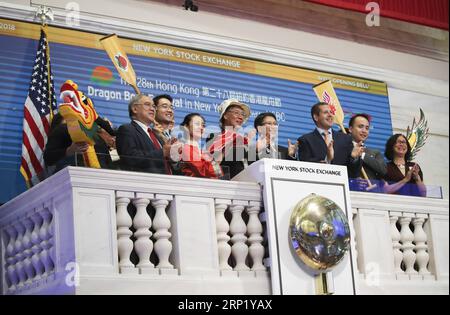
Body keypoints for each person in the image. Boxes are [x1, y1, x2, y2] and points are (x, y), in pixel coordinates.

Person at [297, 102, 363, 178]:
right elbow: (305, 169)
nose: (330, 115)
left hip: (341, 186)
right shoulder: (305, 140)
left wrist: (354, 157)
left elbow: (354, 173)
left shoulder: (346, 139)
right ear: (316, 117)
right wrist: (327, 159)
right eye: (326, 112)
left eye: (331, 112)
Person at [116, 94, 176, 174]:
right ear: (135, 109)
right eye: (147, 105)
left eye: (154, 106)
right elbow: (130, 158)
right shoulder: (127, 130)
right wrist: (162, 152)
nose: (152, 109)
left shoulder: (156, 135)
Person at [44, 113, 114, 174]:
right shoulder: (60, 131)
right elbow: (48, 158)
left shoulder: (97, 139)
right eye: (69, 123)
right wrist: (69, 151)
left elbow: (109, 166)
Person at [207, 98, 251, 179]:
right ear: (225, 115)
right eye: (236, 113)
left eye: (242, 114)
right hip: (225, 184)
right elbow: (213, 165)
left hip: (245, 183)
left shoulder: (244, 140)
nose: (240, 117)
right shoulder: (214, 137)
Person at [178, 113, 223, 178]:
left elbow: (219, 173)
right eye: (197, 124)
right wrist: (215, 163)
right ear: (186, 127)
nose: (201, 128)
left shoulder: (203, 153)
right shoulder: (185, 148)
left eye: (203, 125)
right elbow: (203, 171)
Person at [348, 113, 386, 180]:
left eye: (367, 128)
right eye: (360, 127)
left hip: (371, 189)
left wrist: (362, 154)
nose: (364, 131)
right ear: (350, 129)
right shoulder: (343, 148)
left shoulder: (375, 153)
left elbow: (383, 170)